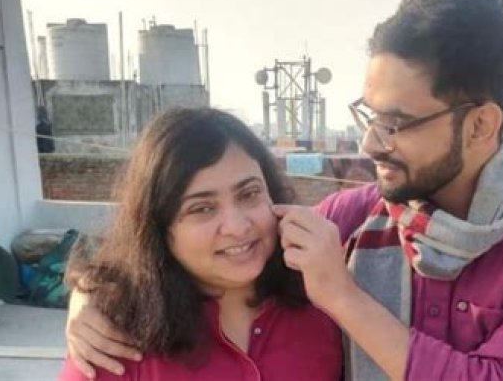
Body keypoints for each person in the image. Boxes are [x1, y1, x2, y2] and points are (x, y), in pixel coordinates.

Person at [66, 0, 503, 380]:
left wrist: (344, 297)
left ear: (480, 125)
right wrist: (90, 301)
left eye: (396, 123)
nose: (371, 143)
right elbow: (202, 252)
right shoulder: (352, 221)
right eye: (369, 114)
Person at [59, 108, 341, 380]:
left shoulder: (324, 309)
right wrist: (88, 291)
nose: (237, 227)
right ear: (157, 226)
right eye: (202, 209)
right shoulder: (112, 342)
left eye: (249, 194)